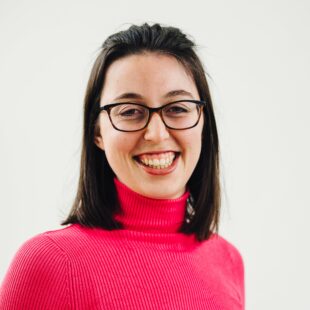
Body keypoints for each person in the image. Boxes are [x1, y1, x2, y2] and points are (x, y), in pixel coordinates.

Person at [0, 23, 244, 309]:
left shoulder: (227, 260)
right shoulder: (50, 262)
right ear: (98, 132)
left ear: (203, 122)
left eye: (177, 108)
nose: (156, 134)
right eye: (130, 112)